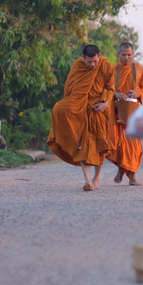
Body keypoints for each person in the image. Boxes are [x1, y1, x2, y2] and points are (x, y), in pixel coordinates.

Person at [47, 44, 114, 191]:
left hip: (98, 110)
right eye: (89, 62)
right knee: (82, 144)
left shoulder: (105, 65)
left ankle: (96, 179)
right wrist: (72, 106)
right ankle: (88, 181)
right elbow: (69, 88)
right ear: (83, 58)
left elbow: (110, 87)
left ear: (99, 56)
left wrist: (106, 103)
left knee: (99, 144)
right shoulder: (78, 66)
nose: (92, 65)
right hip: (81, 110)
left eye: (95, 61)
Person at [107, 42, 143, 186]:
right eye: (123, 54)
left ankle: (132, 176)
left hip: (134, 112)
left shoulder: (139, 69)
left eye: (129, 54)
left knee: (134, 145)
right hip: (118, 113)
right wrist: (116, 94)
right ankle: (121, 169)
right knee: (120, 144)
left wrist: (138, 93)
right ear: (119, 54)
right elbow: (107, 88)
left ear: (133, 54)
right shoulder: (113, 70)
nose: (126, 57)